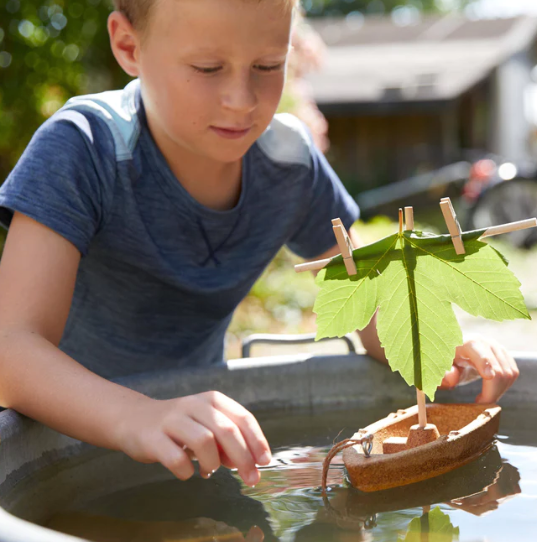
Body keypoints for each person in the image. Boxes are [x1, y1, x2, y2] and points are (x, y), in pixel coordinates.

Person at [0, 0, 519, 491]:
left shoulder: (290, 165)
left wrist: (430, 344)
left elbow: (369, 311)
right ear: (129, 46)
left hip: (194, 445)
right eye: (207, 68)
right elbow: (12, 352)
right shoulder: (83, 148)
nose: (242, 100)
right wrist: (137, 413)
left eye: (268, 65)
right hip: (54, 451)